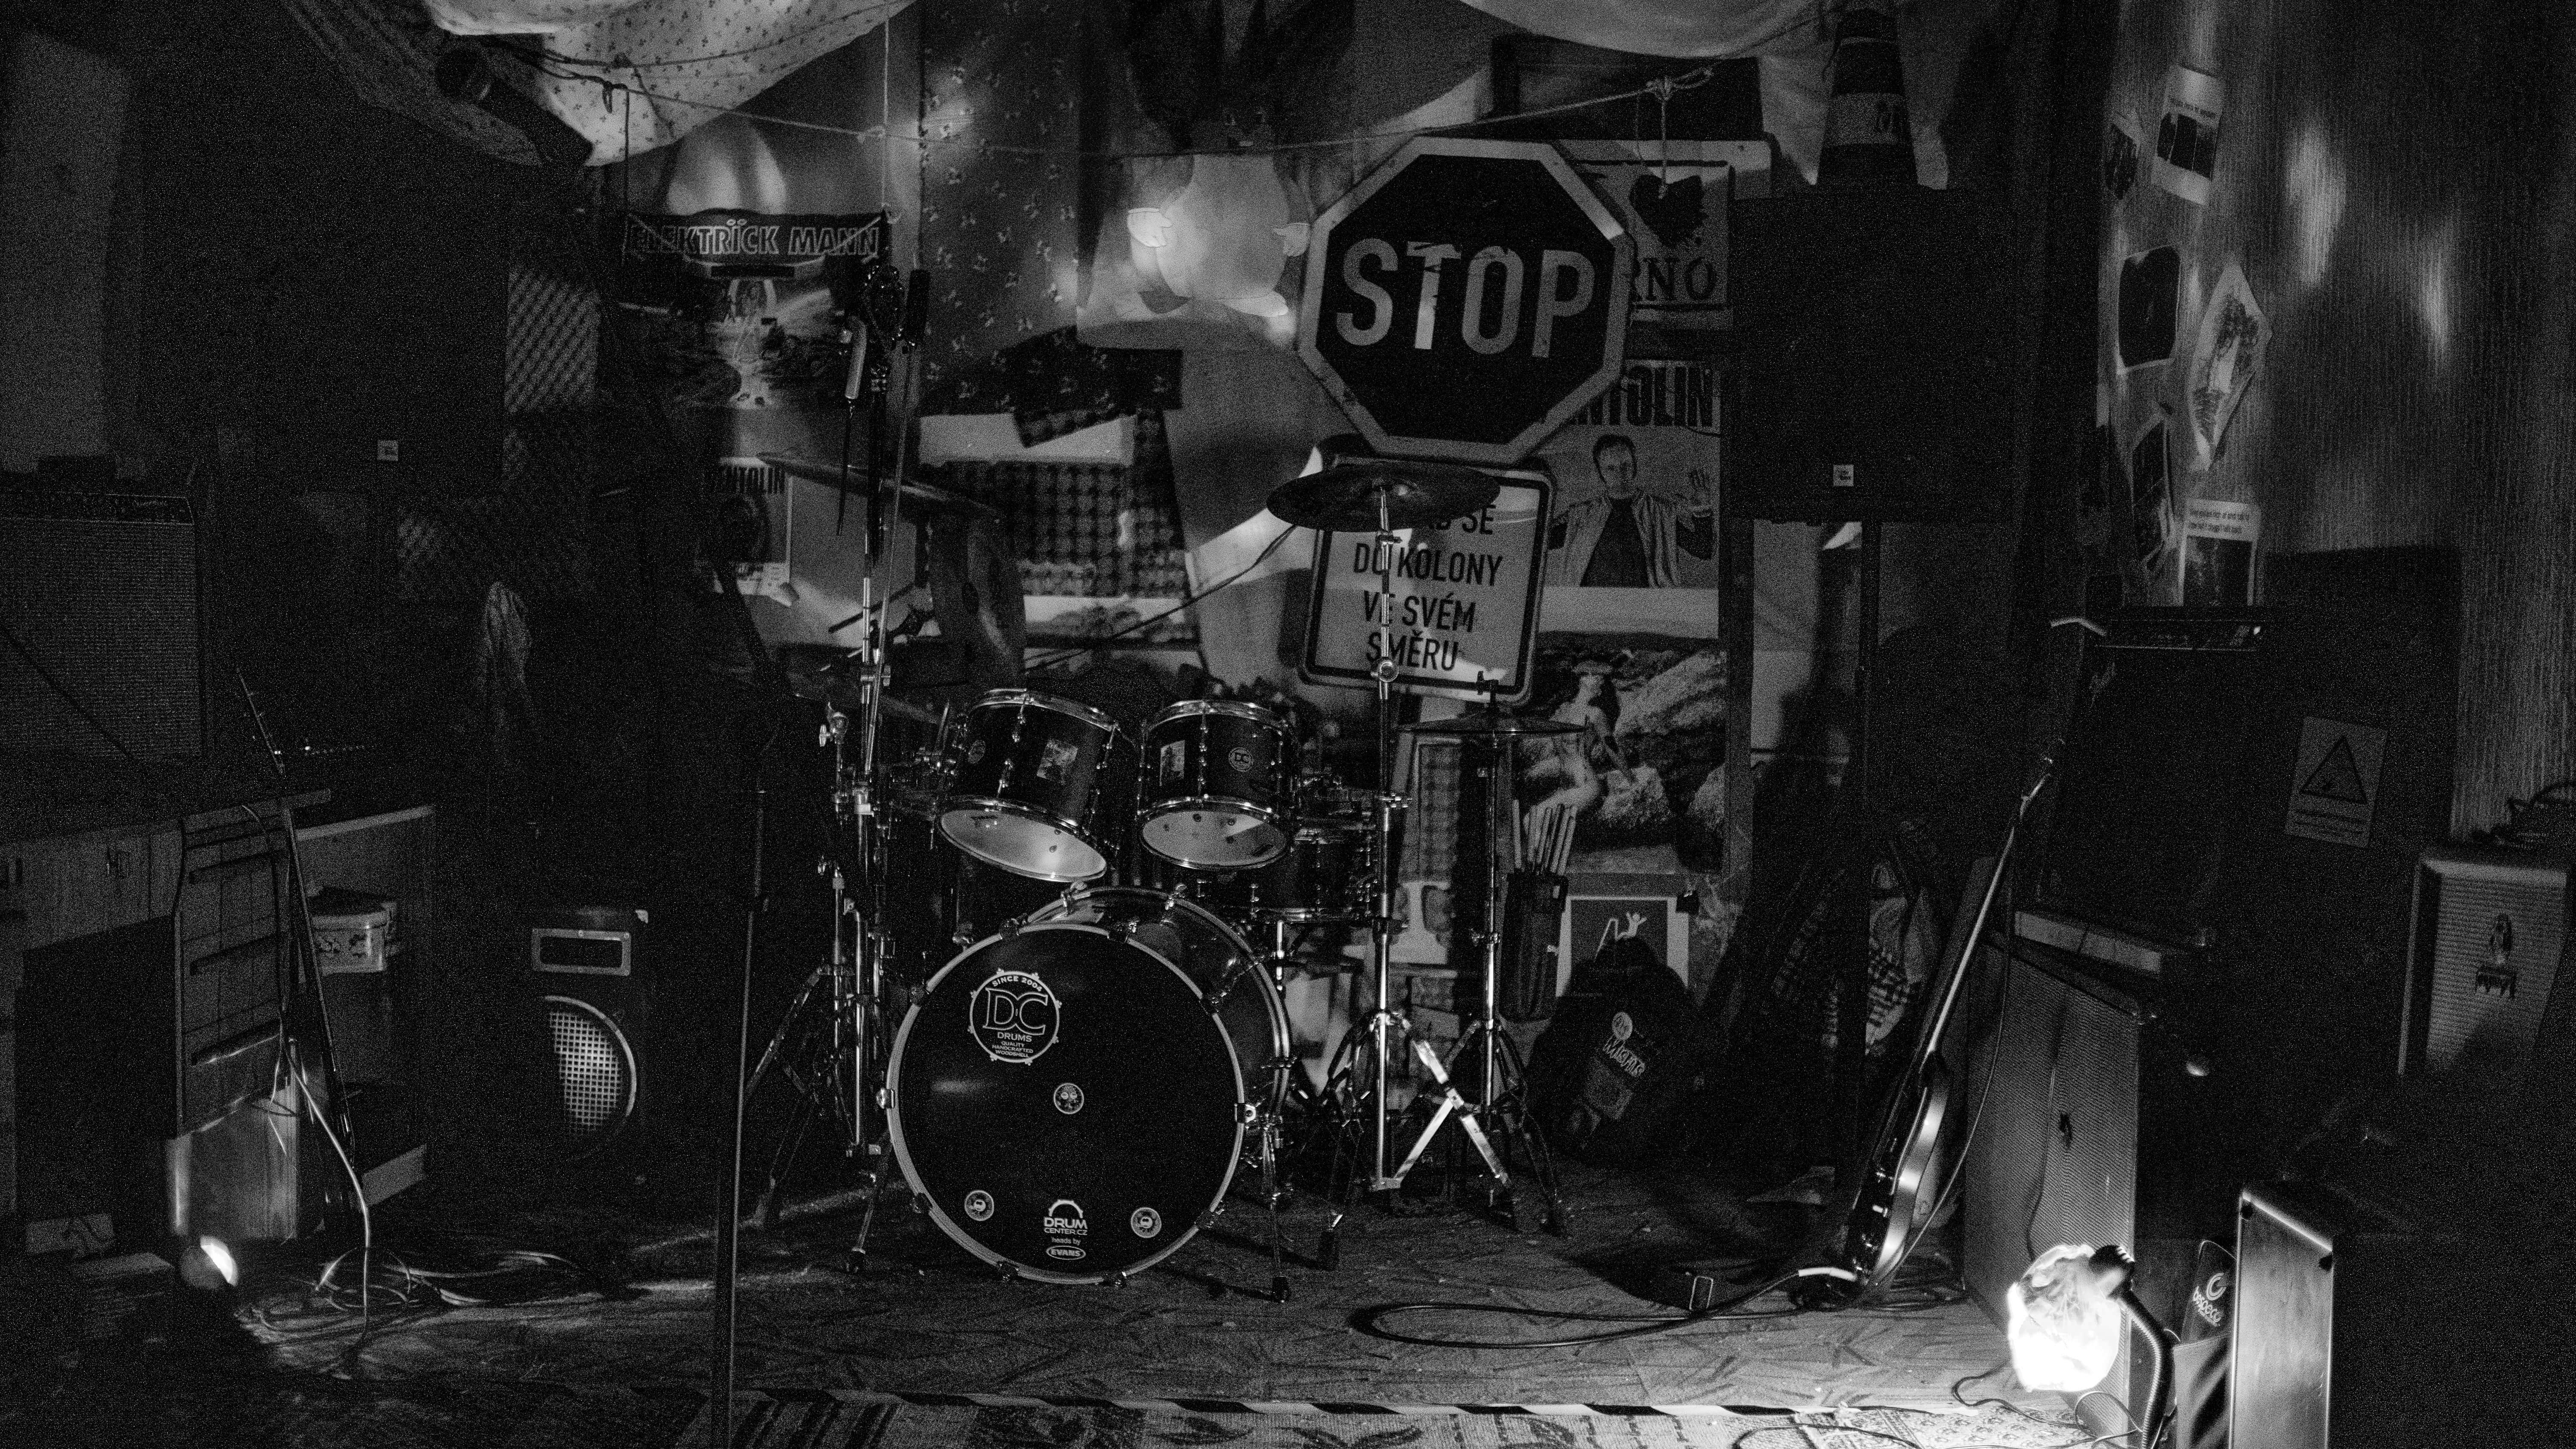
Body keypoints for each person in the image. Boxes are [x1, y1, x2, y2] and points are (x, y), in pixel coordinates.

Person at [1544, 433, 1716, 587]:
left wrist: (1702, 509)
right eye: (1610, 468)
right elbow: (1541, 540)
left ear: (1635, 466)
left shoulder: (1660, 512)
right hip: (1590, 606)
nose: (1619, 474)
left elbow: (1703, 550)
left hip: (1647, 607)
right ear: (1600, 473)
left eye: (1625, 465)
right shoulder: (1582, 516)